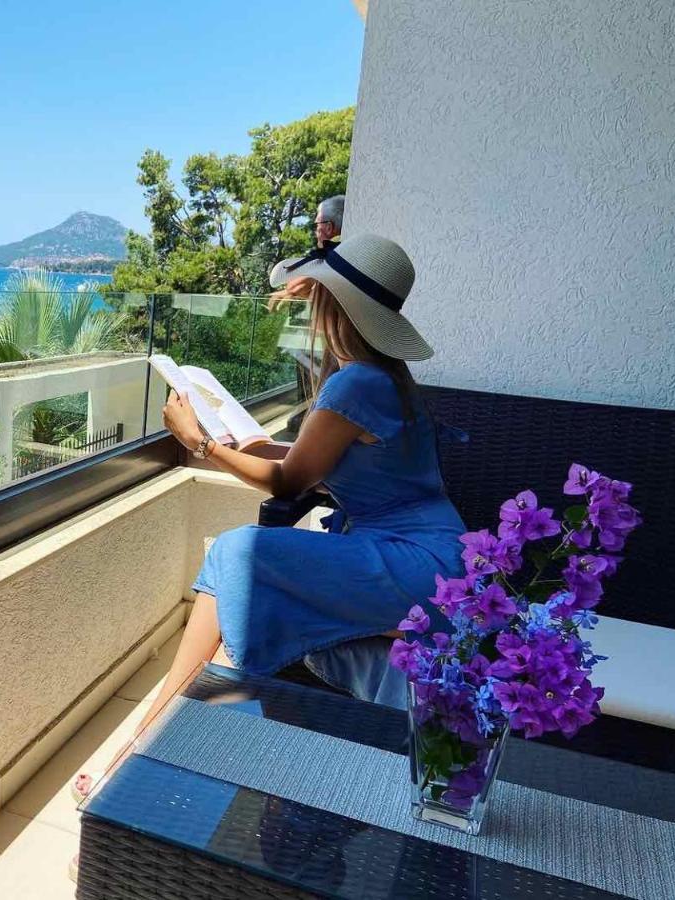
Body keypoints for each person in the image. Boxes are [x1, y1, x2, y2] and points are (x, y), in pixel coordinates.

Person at [68, 235, 465, 876]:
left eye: (315, 293)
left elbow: (289, 483)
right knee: (230, 568)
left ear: (335, 303)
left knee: (237, 553)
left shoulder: (356, 383)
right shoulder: (385, 377)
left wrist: (198, 443)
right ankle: (151, 735)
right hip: (428, 549)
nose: (303, 305)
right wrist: (243, 443)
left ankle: (150, 741)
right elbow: (307, 461)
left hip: (418, 565)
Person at [268, 195, 344, 429]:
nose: (316, 231)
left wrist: (286, 293)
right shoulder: (347, 254)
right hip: (337, 343)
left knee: (311, 367)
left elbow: (296, 284)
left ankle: (309, 421)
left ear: (328, 227)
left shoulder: (337, 255)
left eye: (317, 225)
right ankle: (307, 417)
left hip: (336, 342)